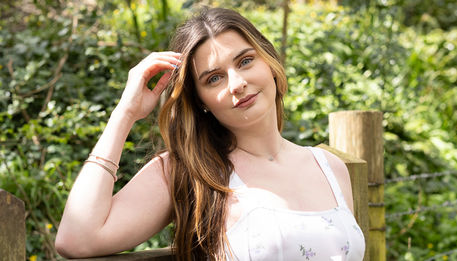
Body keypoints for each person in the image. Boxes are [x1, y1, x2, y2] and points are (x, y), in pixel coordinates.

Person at [55, 7, 365, 261]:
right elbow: (76, 239)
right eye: (214, 78)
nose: (237, 83)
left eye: (245, 61)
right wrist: (124, 114)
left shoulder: (330, 167)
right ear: (200, 101)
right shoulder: (193, 171)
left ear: (270, 63)